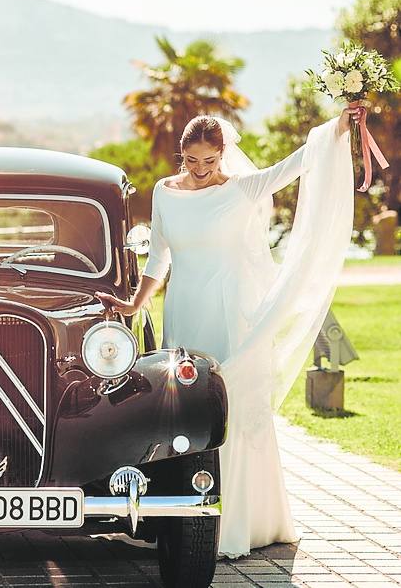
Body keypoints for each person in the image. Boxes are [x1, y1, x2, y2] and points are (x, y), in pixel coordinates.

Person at [97, 104, 360, 558]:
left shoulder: (243, 189)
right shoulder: (164, 192)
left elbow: (295, 164)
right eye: (192, 162)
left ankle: (240, 520)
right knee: (182, 405)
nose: (200, 171)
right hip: (185, 310)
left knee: (228, 406)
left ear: (223, 156)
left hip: (229, 312)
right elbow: (159, 255)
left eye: (210, 162)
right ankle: (179, 519)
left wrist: (336, 126)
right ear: (181, 156)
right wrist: (135, 302)